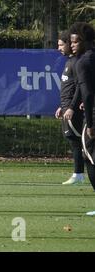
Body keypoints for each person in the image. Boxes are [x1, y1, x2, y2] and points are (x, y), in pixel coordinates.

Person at [68, 23, 95, 212]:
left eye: (75, 41)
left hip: (93, 116)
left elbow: (87, 93)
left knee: (90, 158)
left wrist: (91, 123)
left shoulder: (83, 62)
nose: (72, 45)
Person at [54, 31, 84, 185]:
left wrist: (71, 107)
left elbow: (80, 87)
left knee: (77, 141)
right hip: (66, 108)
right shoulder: (68, 62)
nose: (59, 47)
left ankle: (78, 174)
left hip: (73, 110)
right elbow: (69, 87)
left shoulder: (77, 62)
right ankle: (78, 173)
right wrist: (62, 106)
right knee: (73, 140)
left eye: (61, 44)